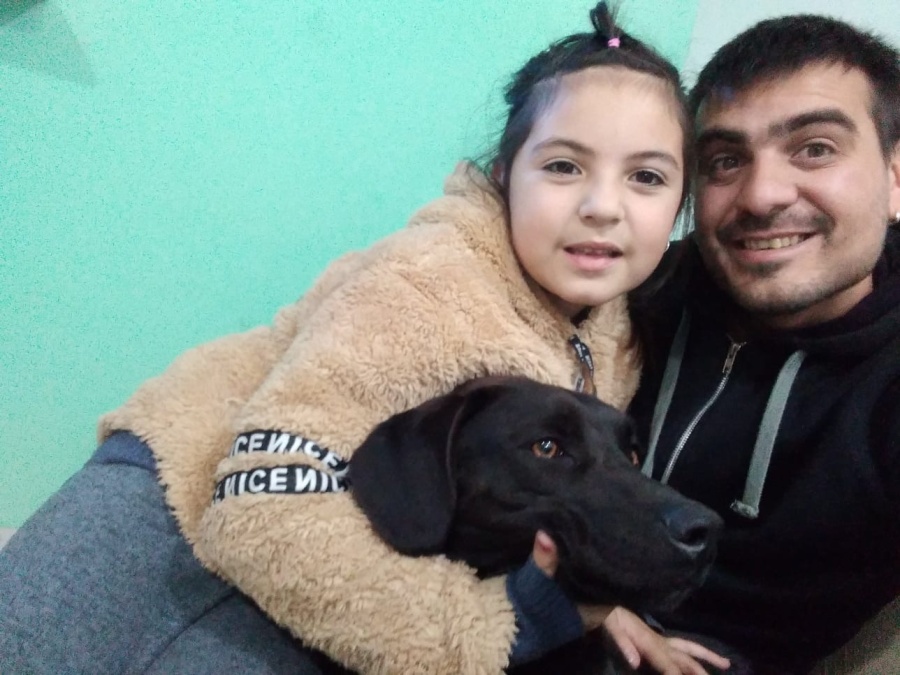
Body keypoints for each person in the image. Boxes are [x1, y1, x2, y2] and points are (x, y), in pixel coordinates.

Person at [0, 4, 728, 674]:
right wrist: (512, 624)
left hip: (332, 530)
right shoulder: (421, 284)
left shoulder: (613, 332)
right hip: (179, 496)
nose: (603, 206)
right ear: (506, 175)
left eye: (646, 177)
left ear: (680, 205)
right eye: (564, 166)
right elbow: (266, 516)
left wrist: (608, 587)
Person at [621, 12, 900, 675]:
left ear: (895, 177)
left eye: (814, 149)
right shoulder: (638, 288)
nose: (761, 196)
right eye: (725, 160)